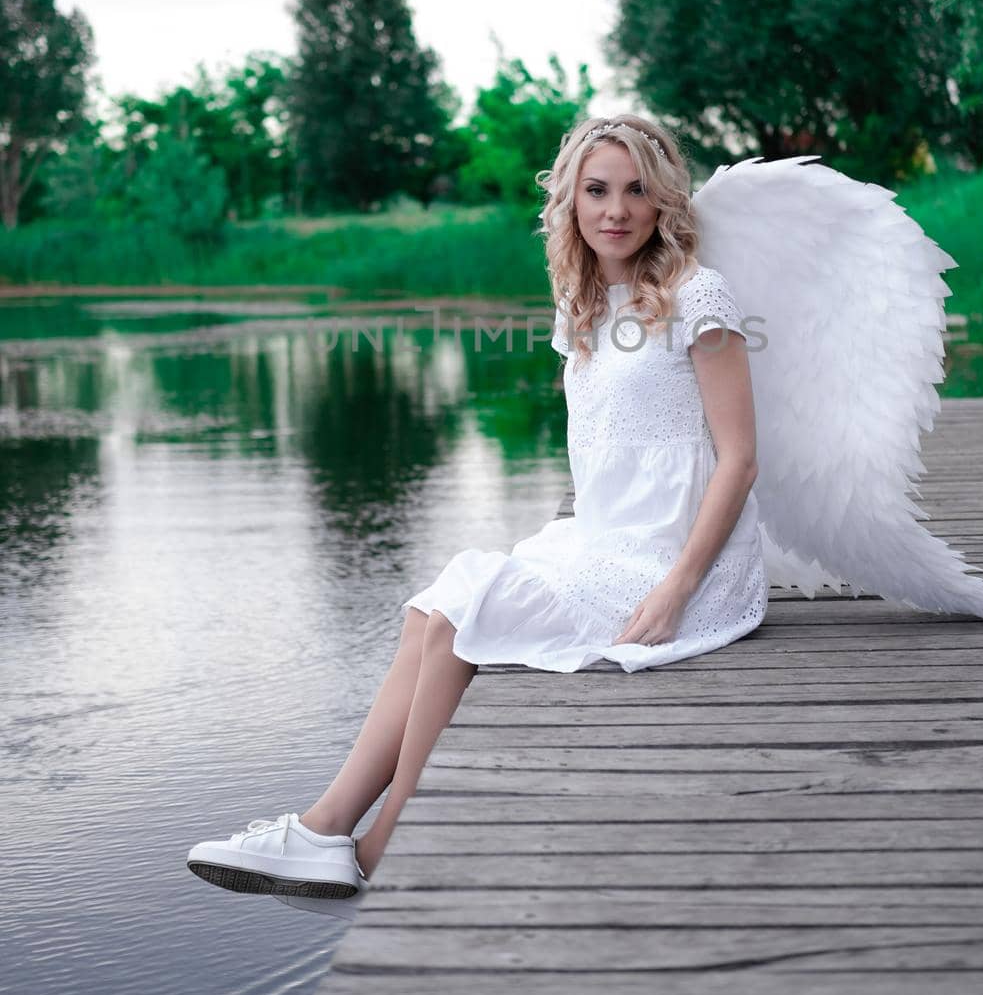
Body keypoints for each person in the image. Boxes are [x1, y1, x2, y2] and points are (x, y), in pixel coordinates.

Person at [187, 114, 768, 901]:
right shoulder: (584, 300)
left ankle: (378, 850)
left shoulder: (699, 296)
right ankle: (325, 827)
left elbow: (738, 459)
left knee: (470, 613)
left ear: (664, 200)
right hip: (604, 537)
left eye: (636, 191)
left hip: (678, 562)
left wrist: (677, 588)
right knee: (433, 609)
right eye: (596, 190)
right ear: (568, 199)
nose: (616, 210)